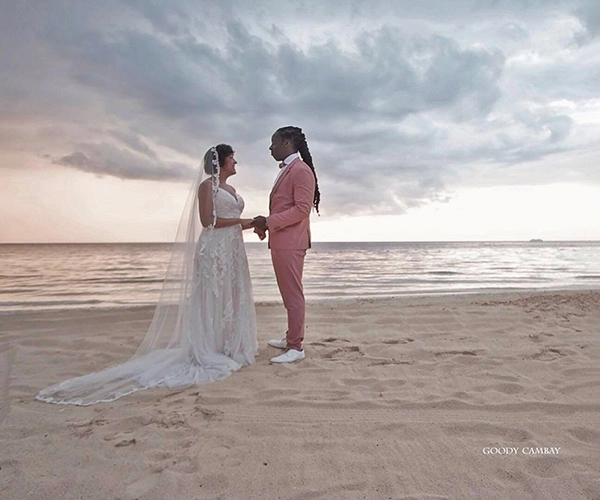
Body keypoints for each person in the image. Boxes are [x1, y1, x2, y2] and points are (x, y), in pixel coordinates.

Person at [36, 144, 259, 406]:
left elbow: (231, 221)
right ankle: (209, 348)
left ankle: (228, 344)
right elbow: (208, 222)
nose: (236, 162)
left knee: (232, 294)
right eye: (232, 158)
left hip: (232, 248)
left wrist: (250, 225)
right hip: (213, 250)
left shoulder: (232, 190)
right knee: (212, 295)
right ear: (220, 162)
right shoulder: (207, 187)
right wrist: (246, 222)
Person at [252, 126, 320, 364]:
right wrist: (267, 225)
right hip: (282, 241)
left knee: (293, 295)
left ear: (287, 142)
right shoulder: (289, 169)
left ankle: (296, 346)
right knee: (288, 293)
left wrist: (268, 222)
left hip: (292, 242)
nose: (270, 147)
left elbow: (302, 209)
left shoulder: (300, 170)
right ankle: (292, 337)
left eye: (274, 143)